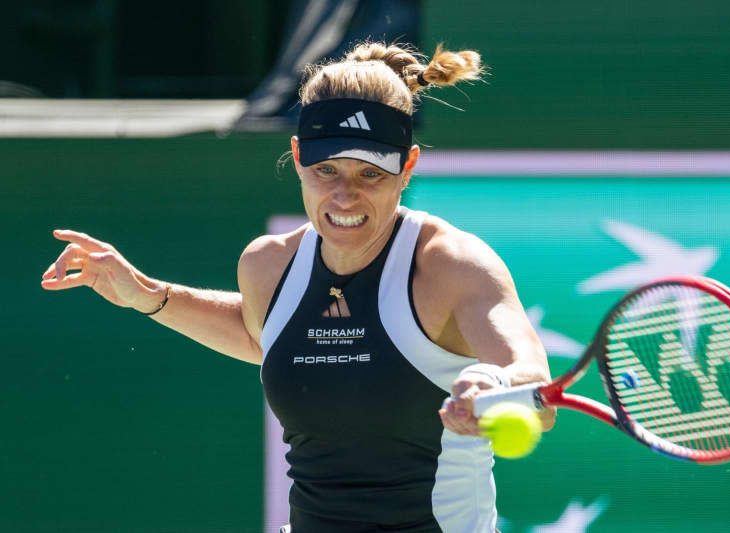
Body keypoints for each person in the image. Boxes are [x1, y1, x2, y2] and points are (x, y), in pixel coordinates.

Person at [41, 41, 555, 533]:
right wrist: (149, 295)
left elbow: (534, 382)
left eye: (370, 174)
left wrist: (493, 386)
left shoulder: (452, 264)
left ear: (408, 167)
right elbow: (264, 335)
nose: (344, 196)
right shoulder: (268, 263)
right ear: (297, 155)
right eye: (325, 170)